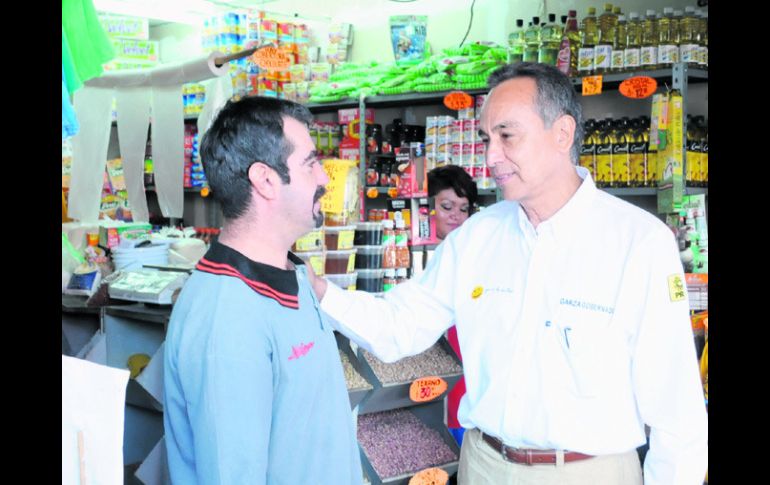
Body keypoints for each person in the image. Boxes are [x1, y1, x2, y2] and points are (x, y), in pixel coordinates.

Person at [311, 63, 707, 485]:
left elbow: (675, 410)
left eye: (506, 136)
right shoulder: (478, 236)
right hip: (483, 465)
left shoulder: (638, 241)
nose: (490, 156)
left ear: (562, 134)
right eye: (486, 138)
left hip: (589, 472)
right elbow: (399, 327)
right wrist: (315, 288)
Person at [163, 96, 362, 484]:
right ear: (266, 180)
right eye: (310, 163)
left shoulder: (297, 278)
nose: (324, 178)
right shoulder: (228, 317)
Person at [427, 164, 478, 447]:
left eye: (463, 208)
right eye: (447, 206)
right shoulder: (407, 254)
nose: (456, 216)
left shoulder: (475, 255)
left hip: (463, 381)